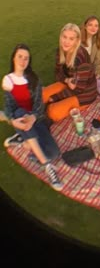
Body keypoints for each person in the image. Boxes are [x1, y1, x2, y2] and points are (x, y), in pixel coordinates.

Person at [2, 43, 63, 191]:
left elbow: (39, 106)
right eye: (20, 57)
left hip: (36, 120)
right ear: (13, 58)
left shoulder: (34, 79)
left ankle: (23, 140)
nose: (23, 61)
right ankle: (47, 166)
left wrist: (34, 117)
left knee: (55, 153)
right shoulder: (8, 81)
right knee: (19, 112)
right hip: (19, 118)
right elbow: (9, 107)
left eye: (26, 58)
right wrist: (13, 121)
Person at [43, 23, 97, 121]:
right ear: (61, 37)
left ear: (77, 41)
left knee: (53, 112)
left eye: (71, 39)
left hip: (84, 93)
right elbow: (57, 73)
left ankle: (40, 123)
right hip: (69, 84)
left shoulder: (81, 58)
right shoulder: (60, 51)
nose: (66, 42)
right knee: (43, 95)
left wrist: (56, 97)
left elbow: (78, 89)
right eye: (65, 37)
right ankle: (28, 117)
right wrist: (67, 80)